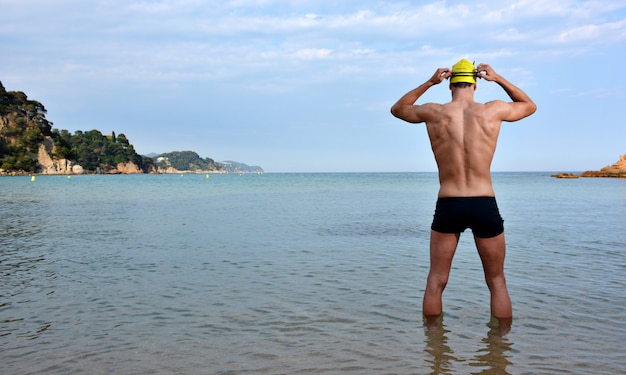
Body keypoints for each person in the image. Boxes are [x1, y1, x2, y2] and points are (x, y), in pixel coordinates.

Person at [390, 59, 536, 325]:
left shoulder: (434, 112)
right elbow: (529, 106)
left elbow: (398, 109)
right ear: (476, 84)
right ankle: (500, 353)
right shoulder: (493, 111)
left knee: (436, 279)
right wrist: (499, 77)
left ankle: (434, 351)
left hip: (449, 202)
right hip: (484, 202)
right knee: (496, 280)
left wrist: (429, 82)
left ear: (450, 85)